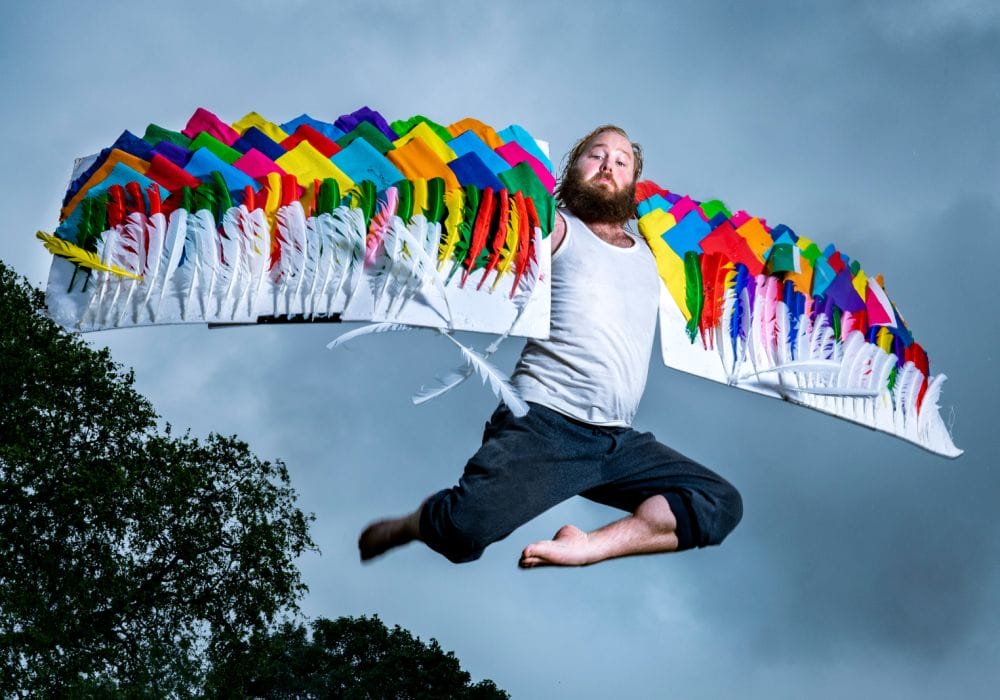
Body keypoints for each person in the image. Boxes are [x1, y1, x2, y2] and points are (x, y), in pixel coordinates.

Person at [359, 126, 742, 567]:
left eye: (621, 162)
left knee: (719, 503)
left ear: (633, 183)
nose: (607, 166)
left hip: (617, 440)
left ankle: (587, 547)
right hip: (545, 423)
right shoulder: (558, 229)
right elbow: (474, 207)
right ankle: (411, 523)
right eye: (596, 155)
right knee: (462, 535)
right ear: (572, 168)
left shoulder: (653, 256)